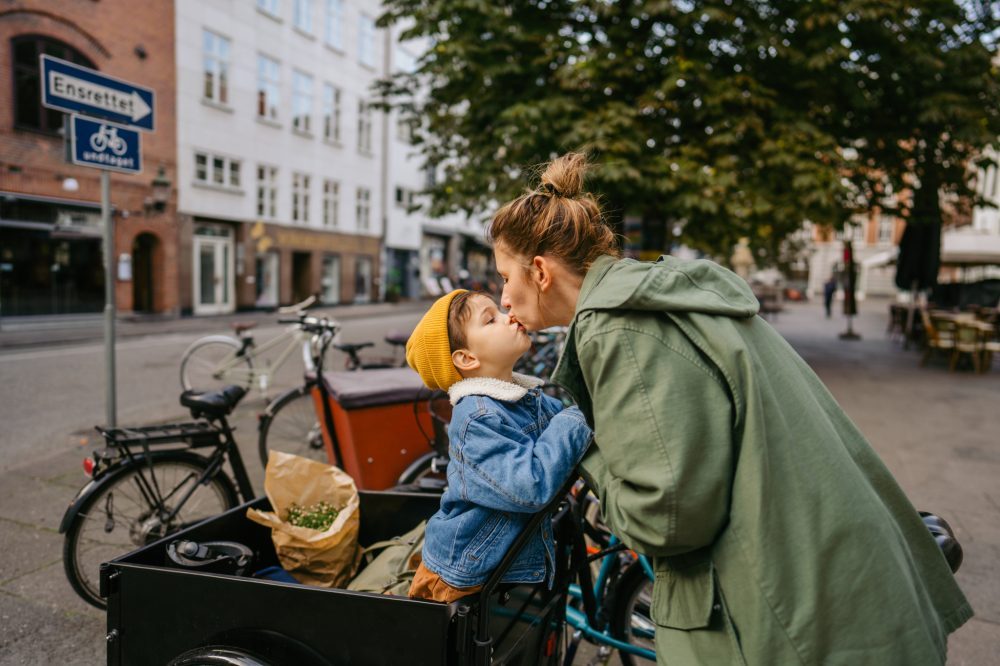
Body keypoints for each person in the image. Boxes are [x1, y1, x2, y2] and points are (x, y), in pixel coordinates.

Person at [489, 153, 971, 664]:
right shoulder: (665, 298)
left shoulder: (618, 330)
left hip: (799, 628)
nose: (502, 299)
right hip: (848, 595)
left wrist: (585, 452)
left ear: (539, 271)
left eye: (503, 278)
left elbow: (666, 519)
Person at [404, 289, 592, 602]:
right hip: (463, 582)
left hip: (496, 572)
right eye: (491, 319)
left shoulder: (523, 399)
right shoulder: (475, 418)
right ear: (466, 358)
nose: (509, 317)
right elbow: (530, 486)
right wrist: (579, 414)